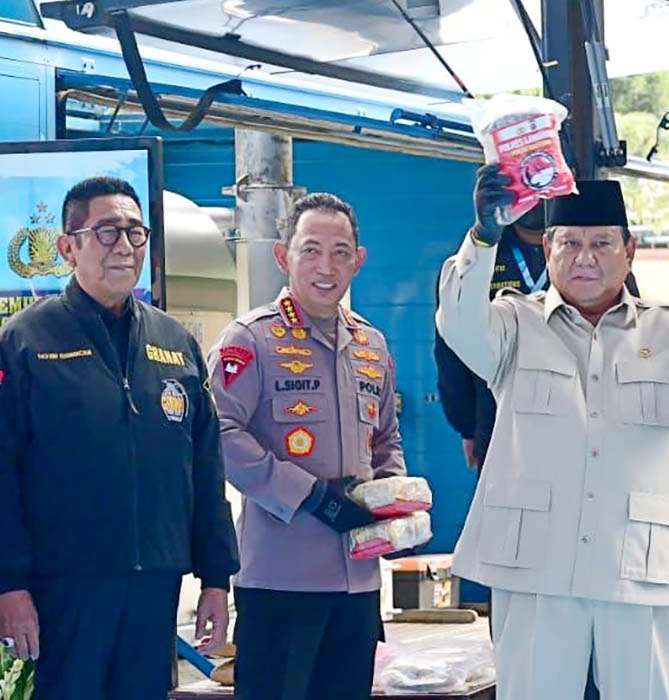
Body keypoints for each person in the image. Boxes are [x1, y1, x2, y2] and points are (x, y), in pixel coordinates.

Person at [437, 167, 669, 700]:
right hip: (536, 569)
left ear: (629, 251)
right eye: (570, 243)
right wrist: (483, 238)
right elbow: (457, 322)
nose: (585, 257)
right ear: (547, 246)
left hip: (639, 568)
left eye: (602, 243)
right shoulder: (512, 325)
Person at [0, 176, 238, 700]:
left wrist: (217, 577)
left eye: (136, 232)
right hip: (64, 588)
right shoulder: (24, 342)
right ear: (68, 246)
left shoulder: (175, 342)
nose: (125, 247)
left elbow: (204, 466)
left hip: (155, 585)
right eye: (107, 231)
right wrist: (8, 584)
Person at [208, 192, 407, 700]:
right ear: (283, 256)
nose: (326, 266)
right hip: (280, 580)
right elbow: (220, 434)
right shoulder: (250, 339)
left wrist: (393, 501)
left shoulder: (373, 345)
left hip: (359, 581)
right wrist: (309, 494)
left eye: (341, 252)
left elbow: (386, 438)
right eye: (311, 249)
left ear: (358, 261)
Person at [434, 203, 548, 471]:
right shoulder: (478, 255)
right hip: (497, 422)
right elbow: (451, 353)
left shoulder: (584, 252)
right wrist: (468, 427)